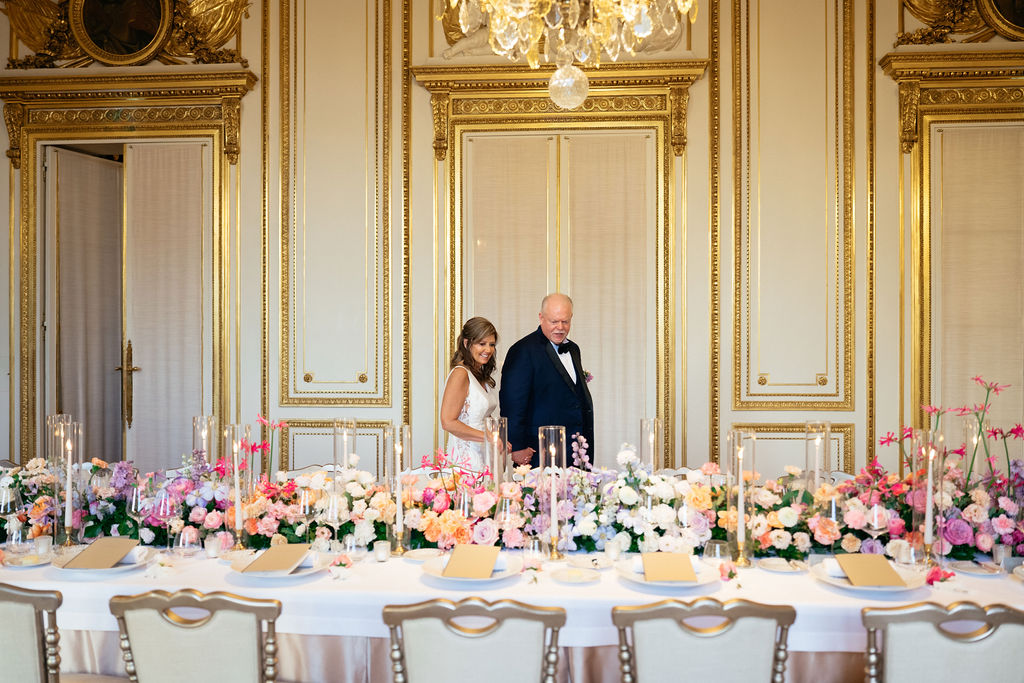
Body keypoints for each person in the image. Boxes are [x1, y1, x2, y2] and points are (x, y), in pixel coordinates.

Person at [499, 293, 594, 467]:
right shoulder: (523, 350)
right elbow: (512, 403)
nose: (560, 327)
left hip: (575, 451)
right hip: (539, 452)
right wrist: (517, 446)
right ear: (541, 317)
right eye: (554, 321)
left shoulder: (573, 349)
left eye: (565, 321)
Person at [440, 317, 499, 472]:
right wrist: (488, 437)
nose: (488, 350)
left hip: (483, 453)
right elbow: (448, 422)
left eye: (491, 344)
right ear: (467, 343)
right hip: (466, 459)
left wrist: (499, 437)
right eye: (482, 344)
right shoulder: (460, 374)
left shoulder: (479, 375)